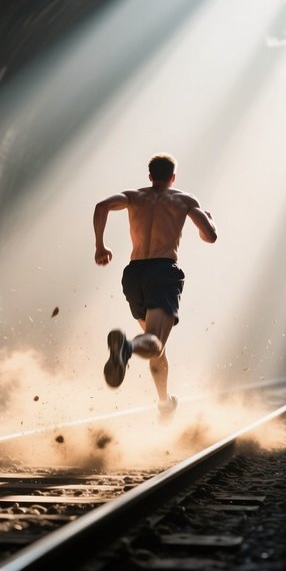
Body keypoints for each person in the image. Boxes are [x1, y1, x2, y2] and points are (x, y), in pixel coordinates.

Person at [93, 153, 217, 419]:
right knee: (154, 343)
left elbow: (101, 206)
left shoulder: (134, 196)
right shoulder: (184, 200)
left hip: (134, 274)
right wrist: (208, 217)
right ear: (173, 177)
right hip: (162, 272)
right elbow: (210, 236)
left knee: (155, 345)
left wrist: (100, 246)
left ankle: (164, 403)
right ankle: (126, 347)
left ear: (150, 177)